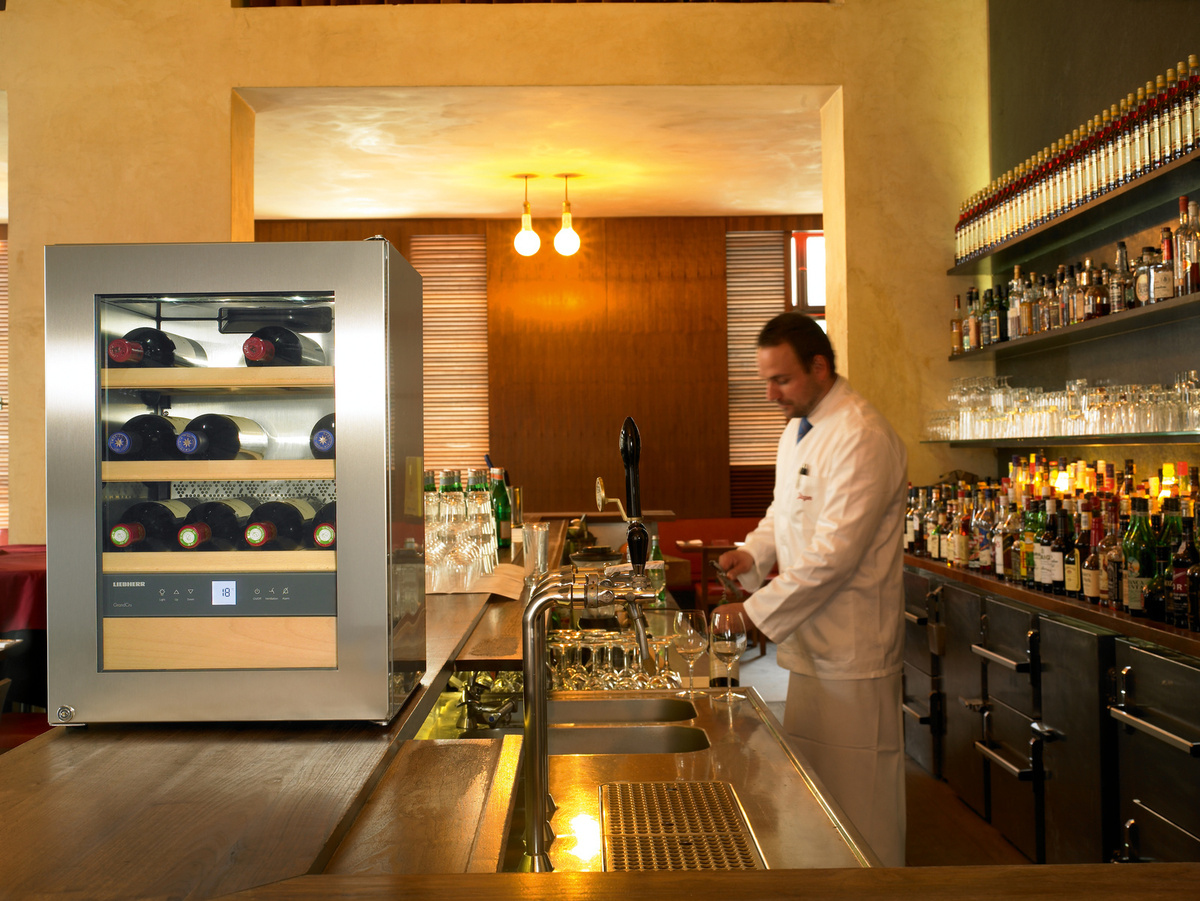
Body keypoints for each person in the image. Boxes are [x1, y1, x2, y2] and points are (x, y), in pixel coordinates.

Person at [713, 311, 908, 867]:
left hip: (853, 651)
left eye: (782, 380)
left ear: (819, 367)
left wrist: (752, 611)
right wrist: (754, 553)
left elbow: (834, 557)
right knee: (816, 802)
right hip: (810, 650)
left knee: (862, 804)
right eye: (767, 380)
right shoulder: (799, 429)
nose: (771, 394)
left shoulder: (861, 436)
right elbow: (782, 513)